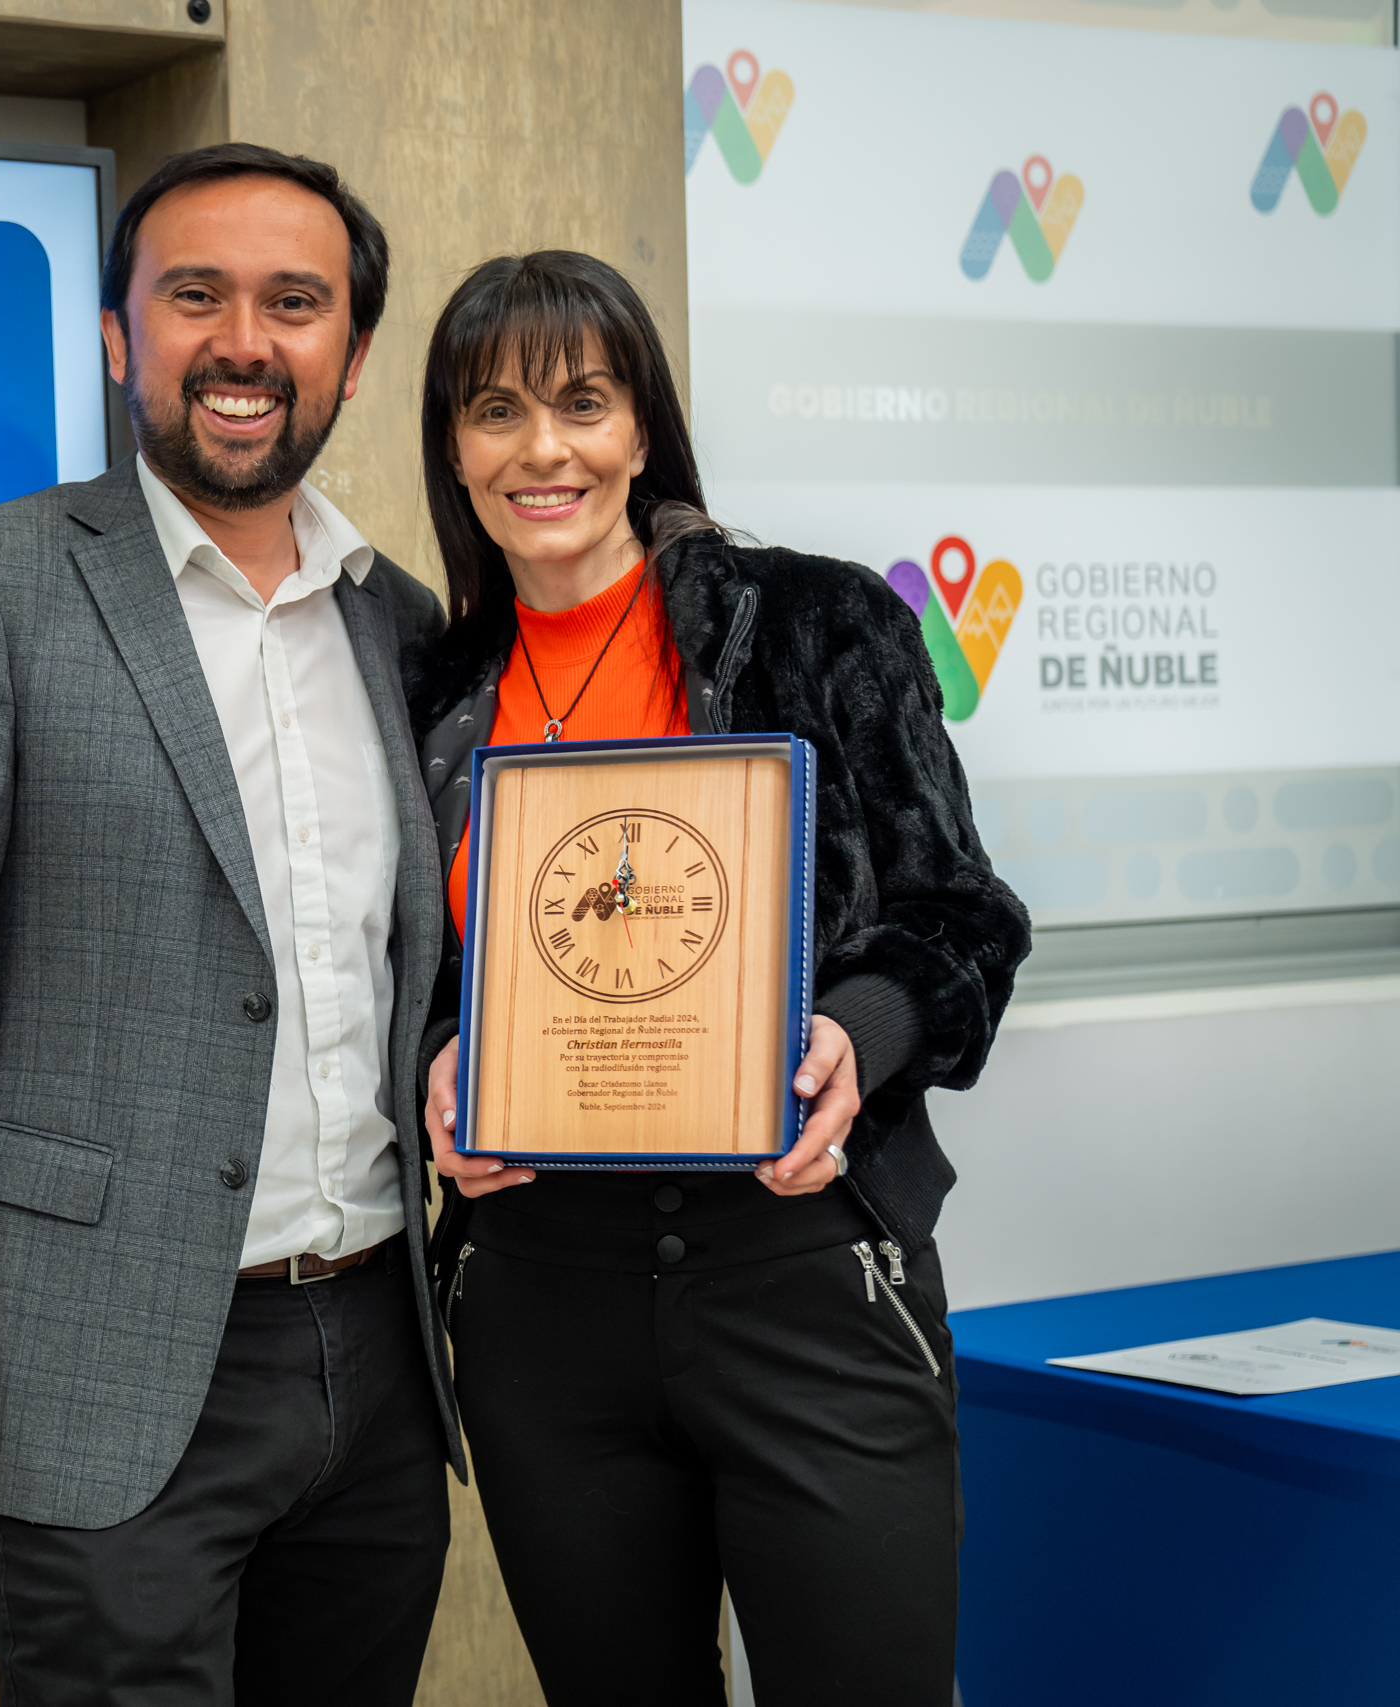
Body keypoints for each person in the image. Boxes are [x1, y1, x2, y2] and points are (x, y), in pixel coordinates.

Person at [0, 143, 460, 1706]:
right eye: (196, 297)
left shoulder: (402, 621)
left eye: (294, 303)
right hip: (101, 1372)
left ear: (354, 351)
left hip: (379, 1364)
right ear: (119, 336)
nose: (245, 342)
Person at [407, 251, 1030, 1707]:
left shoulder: (814, 624)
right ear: (453, 448)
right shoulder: (432, 688)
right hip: (540, 1299)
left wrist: (858, 1031)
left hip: (802, 1270)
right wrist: (441, 1057)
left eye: (583, 403)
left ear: (643, 429)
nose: (543, 449)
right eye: (495, 411)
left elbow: (966, 918)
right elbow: (407, 973)